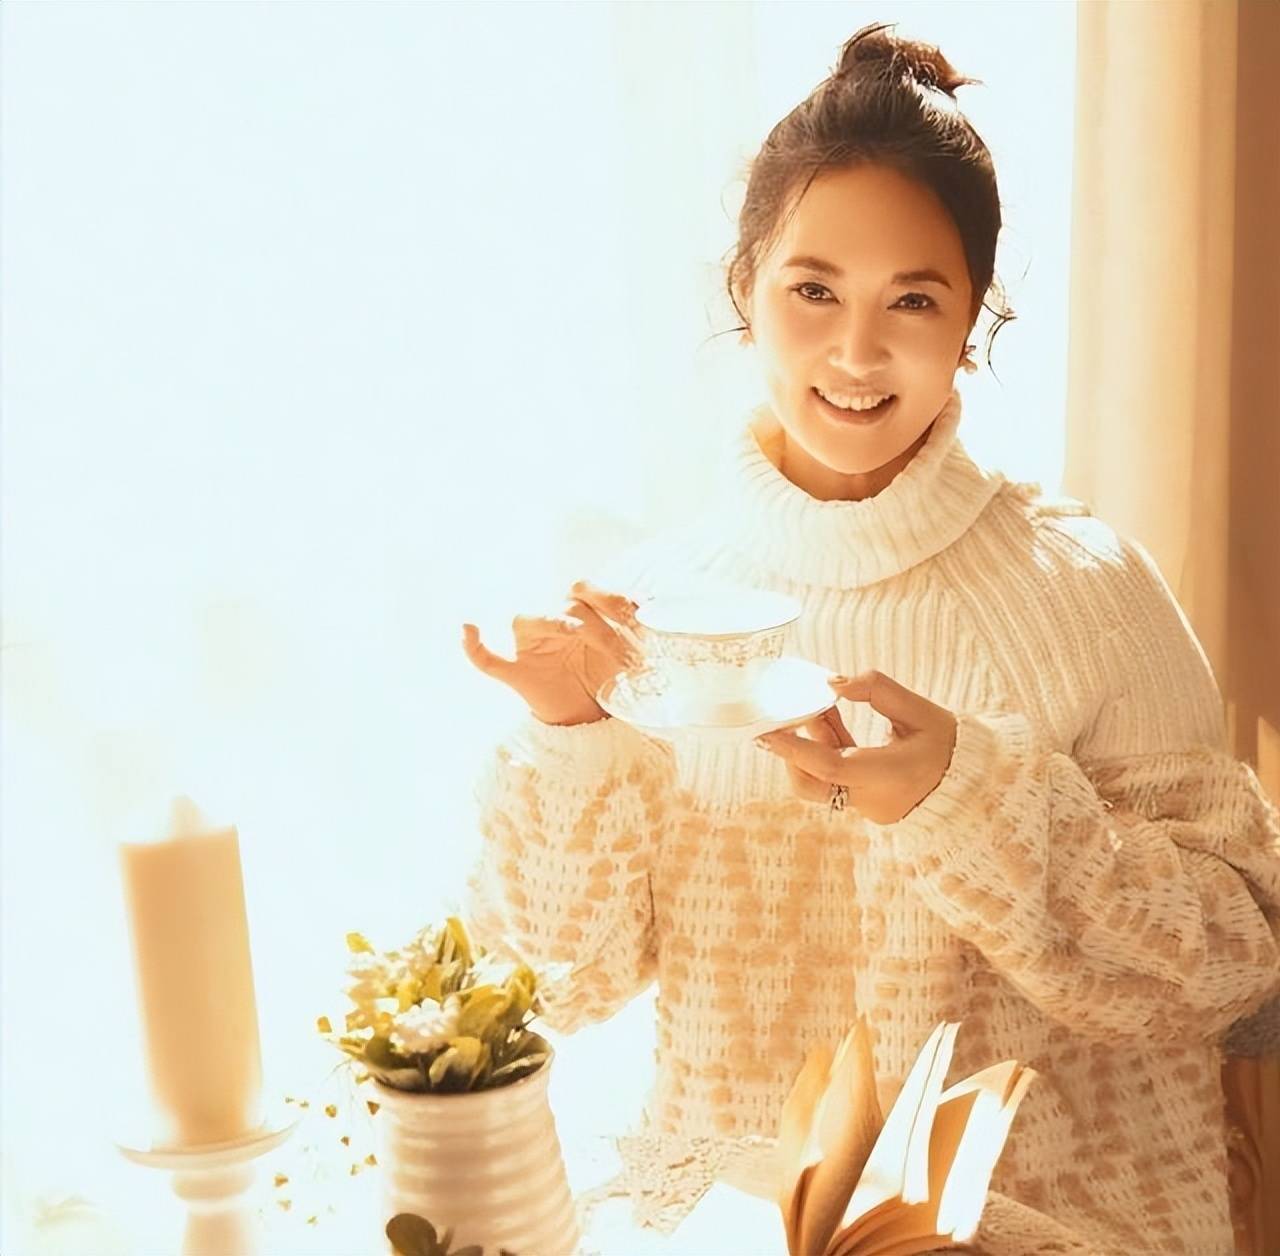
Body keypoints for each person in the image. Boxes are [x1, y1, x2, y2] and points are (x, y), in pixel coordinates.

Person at [459, 22, 1280, 1255]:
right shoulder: (655, 613)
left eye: (912, 298)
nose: (855, 350)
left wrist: (964, 797)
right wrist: (569, 728)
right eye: (812, 290)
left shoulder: (1090, 590)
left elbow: (1235, 963)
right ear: (743, 289)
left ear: (971, 318)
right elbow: (559, 987)